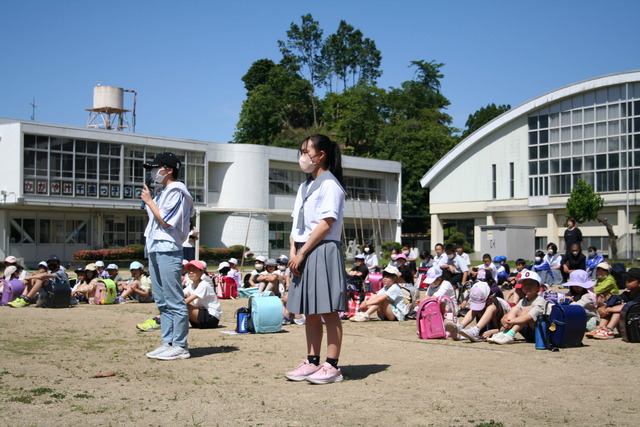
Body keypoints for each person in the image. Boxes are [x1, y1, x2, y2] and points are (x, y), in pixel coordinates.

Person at [284, 134, 347, 385]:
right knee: (309, 310)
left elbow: (325, 223)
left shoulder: (330, 184)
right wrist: (293, 250)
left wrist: (302, 252)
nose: (302, 157)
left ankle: (332, 366)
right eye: (300, 151)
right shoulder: (304, 186)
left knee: (327, 310)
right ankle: (312, 361)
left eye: (306, 151)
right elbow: (296, 221)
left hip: (322, 249)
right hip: (303, 249)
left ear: (320, 155)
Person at [141, 151, 195, 361]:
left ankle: (180, 345)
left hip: (168, 248)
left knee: (174, 298)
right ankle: (168, 342)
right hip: (155, 247)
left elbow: (165, 220)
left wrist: (148, 201)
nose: (155, 172)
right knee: (162, 300)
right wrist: (150, 201)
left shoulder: (177, 191)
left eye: (157, 168)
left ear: (169, 169)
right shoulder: (163, 192)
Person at [487, 270, 546, 345]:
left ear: (538, 287)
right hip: (526, 331)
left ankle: (510, 334)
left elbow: (528, 317)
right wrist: (505, 318)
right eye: (525, 284)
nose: (527, 286)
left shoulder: (540, 301)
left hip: (538, 334)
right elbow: (512, 312)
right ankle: (504, 333)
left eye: (531, 284)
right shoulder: (523, 300)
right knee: (515, 309)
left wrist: (510, 321)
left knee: (526, 310)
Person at [446, 281, 511, 341]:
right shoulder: (486, 302)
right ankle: (460, 327)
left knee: (491, 308)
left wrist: (492, 331)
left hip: (498, 330)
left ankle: (475, 331)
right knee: (473, 309)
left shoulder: (499, 305)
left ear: (490, 297)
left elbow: (506, 328)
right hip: (483, 330)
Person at [590, 267, 640, 339]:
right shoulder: (626, 294)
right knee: (610, 309)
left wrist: (610, 309)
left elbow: (630, 307)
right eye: (627, 280)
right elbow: (613, 302)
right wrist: (603, 308)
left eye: (631, 280)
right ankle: (600, 328)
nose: (627, 282)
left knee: (619, 311)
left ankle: (609, 330)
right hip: (625, 325)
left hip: (635, 325)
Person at [183, 260, 221, 329]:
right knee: (178, 304)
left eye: (194, 270)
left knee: (183, 305)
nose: (191, 272)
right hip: (200, 315)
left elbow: (186, 301)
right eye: (189, 270)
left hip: (211, 317)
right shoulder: (191, 285)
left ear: (201, 272)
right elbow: (180, 295)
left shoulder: (204, 284)